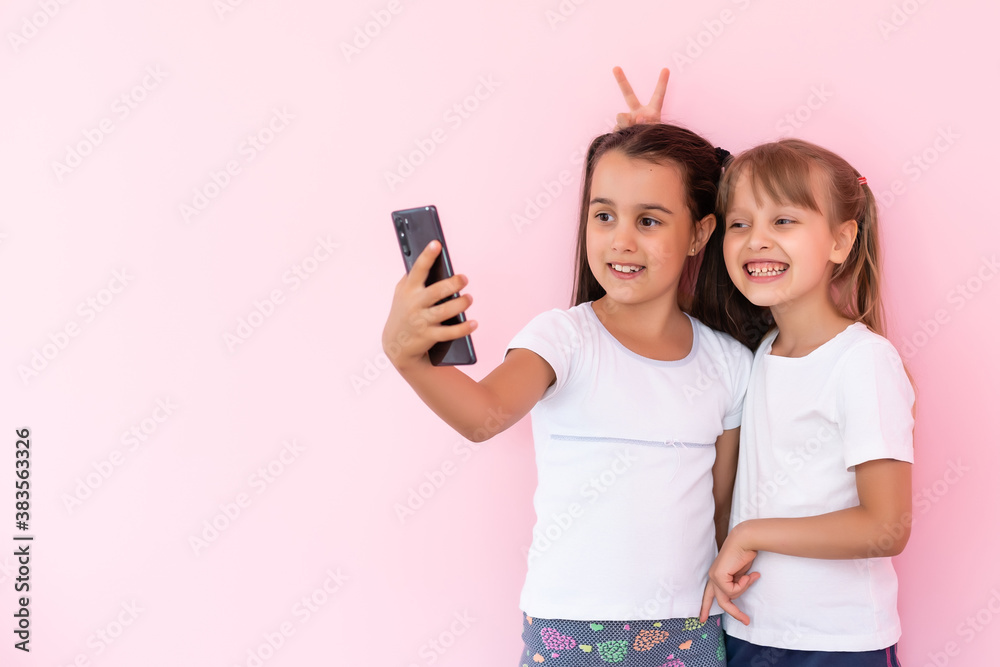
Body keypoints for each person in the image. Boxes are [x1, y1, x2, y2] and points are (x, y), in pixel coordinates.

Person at [382, 122, 751, 665]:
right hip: (567, 632)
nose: (622, 240)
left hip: (689, 627)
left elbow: (722, 509)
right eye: (604, 216)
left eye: (649, 220)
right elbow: (483, 417)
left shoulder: (730, 364)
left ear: (699, 233)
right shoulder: (563, 339)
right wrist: (406, 356)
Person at [696, 139, 914, 667]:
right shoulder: (759, 353)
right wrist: (644, 144)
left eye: (784, 221)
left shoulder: (863, 361)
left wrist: (751, 534)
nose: (756, 240)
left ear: (840, 241)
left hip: (837, 643)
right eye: (740, 223)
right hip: (749, 629)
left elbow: (886, 526)